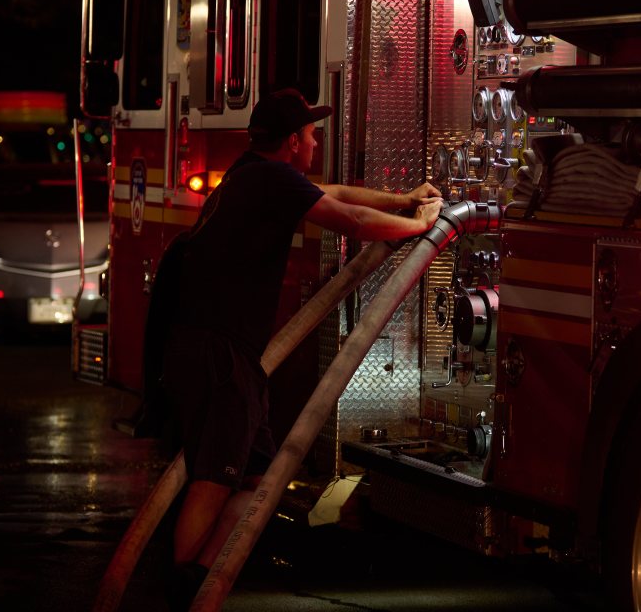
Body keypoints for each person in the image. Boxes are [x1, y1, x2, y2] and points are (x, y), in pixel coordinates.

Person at [162, 88, 442, 607]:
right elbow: (351, 222)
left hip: (227, 353)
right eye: (312, 134)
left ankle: (201, 577)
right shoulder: (267, 180)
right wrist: (422, 227)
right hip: (220, 353)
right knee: (213, 479)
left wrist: (404, 200)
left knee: (256, 478)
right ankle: (181, 592)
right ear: (292, 141)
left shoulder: (255, 174)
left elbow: (336, 193)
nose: (316, 141)